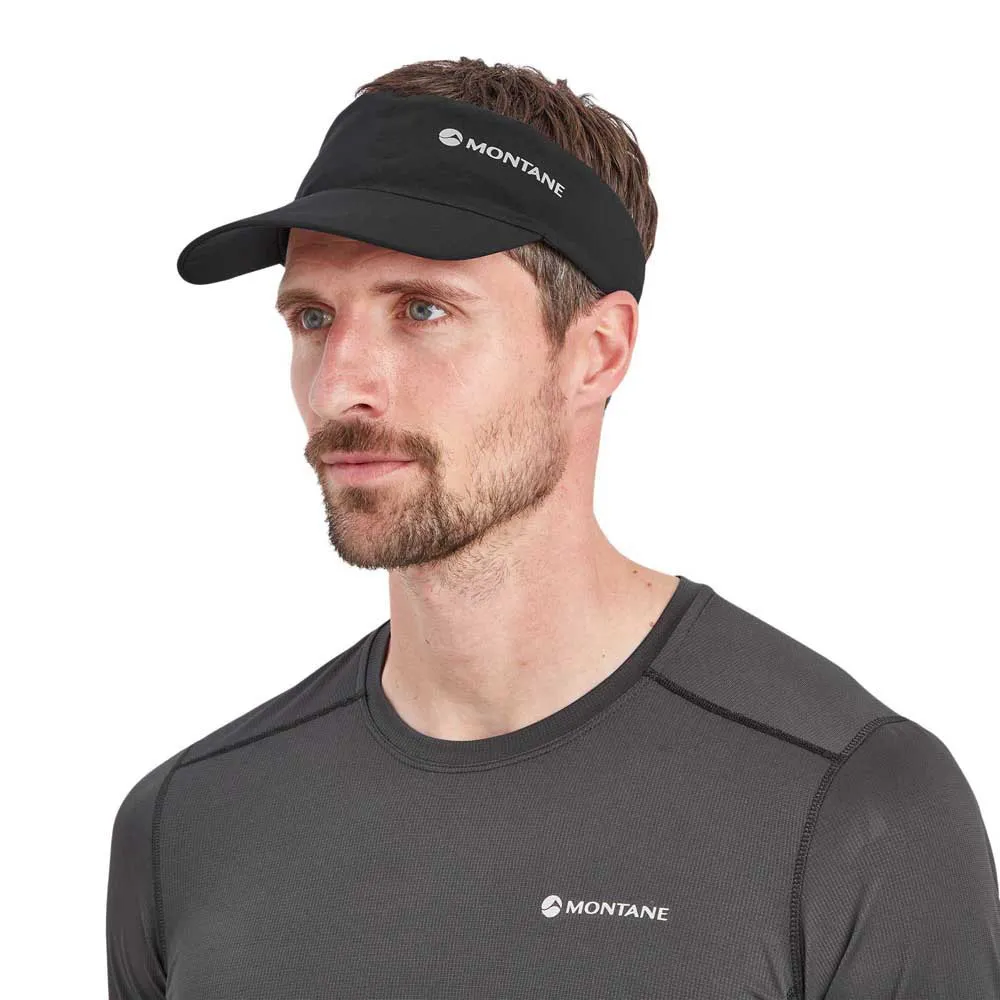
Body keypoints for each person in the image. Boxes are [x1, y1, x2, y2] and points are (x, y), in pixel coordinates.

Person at [106, 57, 1000, 999]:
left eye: (422, 310)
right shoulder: (189, 825)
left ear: (597, 352)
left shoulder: (849, 806)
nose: (338, 387)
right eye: (313, 317)